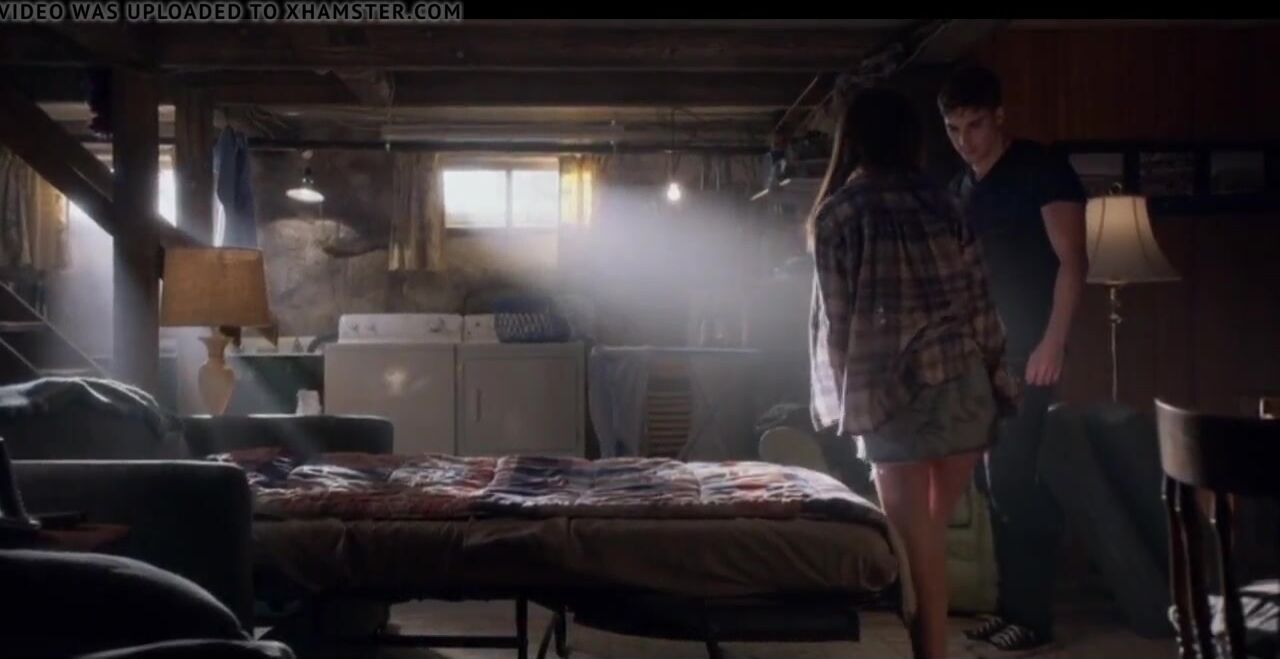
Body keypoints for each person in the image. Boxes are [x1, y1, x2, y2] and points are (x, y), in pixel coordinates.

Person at [808, 85, 1021, 659]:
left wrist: (842, 403)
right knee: (927, 540)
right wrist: (1000, 382)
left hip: (892, 394)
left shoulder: (839, 212)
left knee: (913, 545)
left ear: (852, 140)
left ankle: (929, 653)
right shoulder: (947, 204)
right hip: (964, 382)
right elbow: (981, 306)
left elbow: (835, 322)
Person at [937, 64, 1089, 653]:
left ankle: (1034, 617)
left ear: (999, 117)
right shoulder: (959, 188)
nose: (966, 140)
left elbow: (1073, 260)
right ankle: (1009, 609)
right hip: (978, 355)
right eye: (954, 129)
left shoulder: (1039, 168)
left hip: (1029, 348)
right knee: (991, 483)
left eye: (975, 125)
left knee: (1013, 480)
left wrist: (1053, 342)